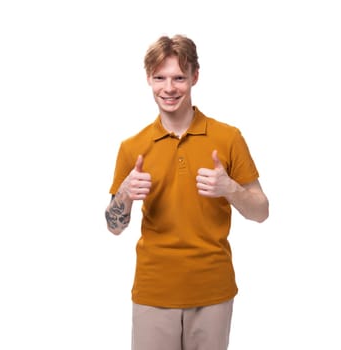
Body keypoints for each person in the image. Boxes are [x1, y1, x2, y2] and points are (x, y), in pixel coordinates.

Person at [105, 34, 269, 350]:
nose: (169, 88)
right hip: (154, 291)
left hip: (212, 290)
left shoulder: (228, 138)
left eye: (179, 77)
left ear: (195, 76)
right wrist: (124, 196)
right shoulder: (132, 148)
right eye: (160, 78)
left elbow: (261, 211)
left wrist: (230, 189)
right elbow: (114, 227)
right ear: (149, 80)